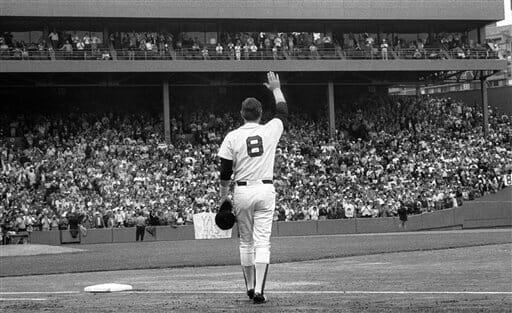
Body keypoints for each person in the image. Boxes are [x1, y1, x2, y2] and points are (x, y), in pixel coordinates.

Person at [217, 71, 288, 304]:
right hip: (265, 190)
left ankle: (248, 287)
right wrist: (276, 88)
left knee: (245, 241)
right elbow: (282, 112)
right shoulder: (270, 129)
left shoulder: (232, 136)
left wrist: (223, 197)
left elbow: (225, 172)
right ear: (260, 114)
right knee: (262, 241)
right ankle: (259, 290)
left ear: (241, 114)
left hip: (243, 191)